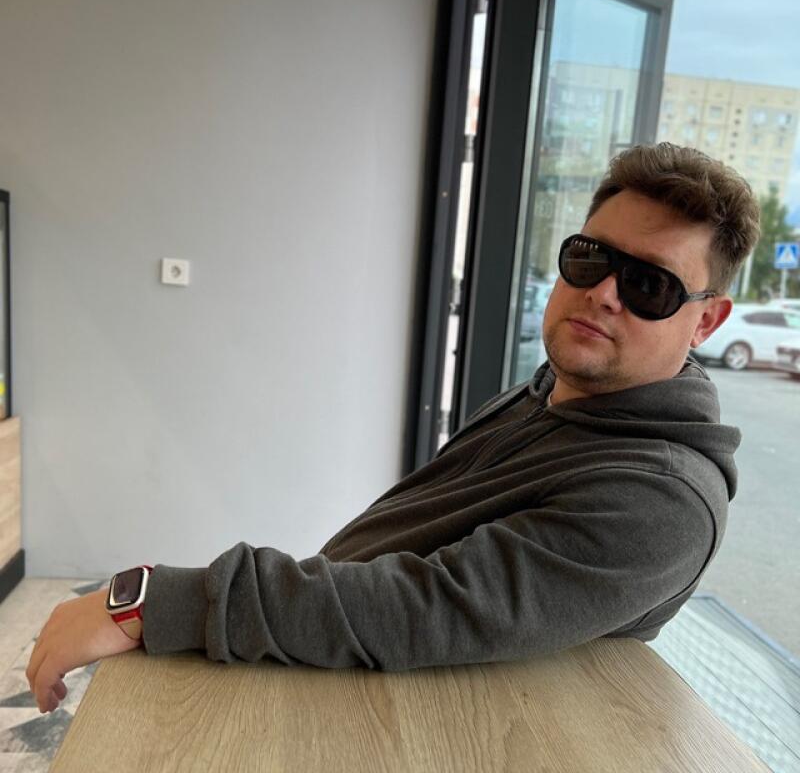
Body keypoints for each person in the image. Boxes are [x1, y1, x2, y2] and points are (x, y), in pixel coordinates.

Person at [27, 142, 760, 714]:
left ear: (706, 319)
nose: (602, 293)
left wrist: (149, 598)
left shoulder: (662, 502)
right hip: (337, 684)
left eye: (649, 285)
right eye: (590, 256)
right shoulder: (555, 394)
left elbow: (424, 607)